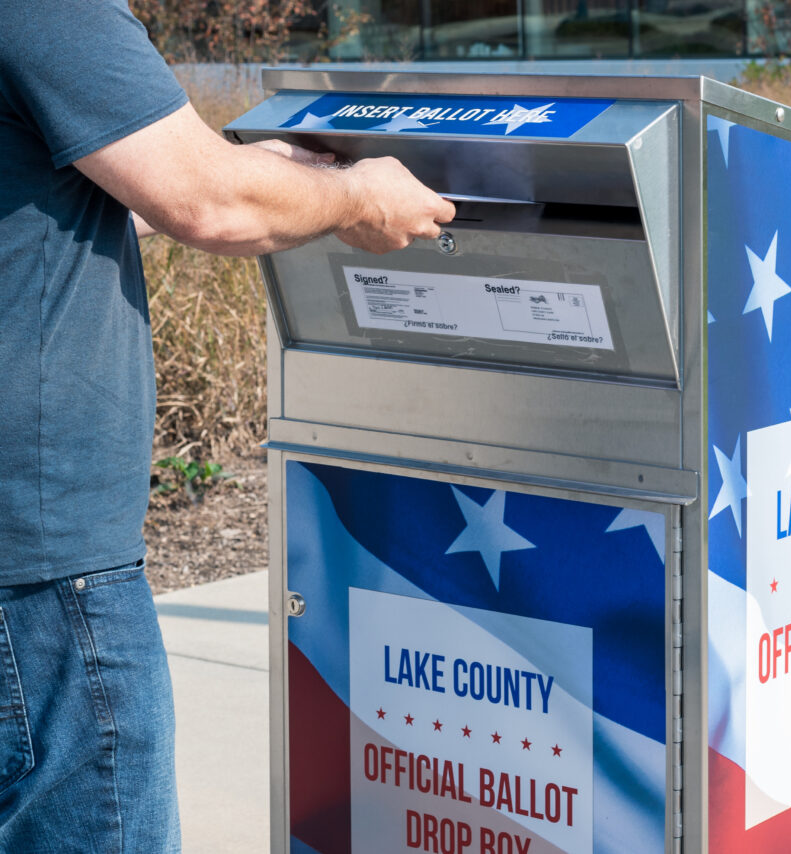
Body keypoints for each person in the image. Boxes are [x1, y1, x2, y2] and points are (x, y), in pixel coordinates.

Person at [0, 2, 454, 851]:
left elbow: (63, 197)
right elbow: (206, 203)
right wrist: (353, 194)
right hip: (42, 576)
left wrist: (257, 171)